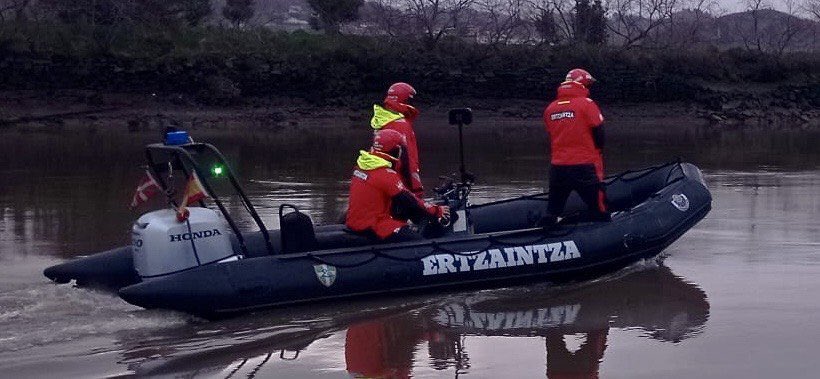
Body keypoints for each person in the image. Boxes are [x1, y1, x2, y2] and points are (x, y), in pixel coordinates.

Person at [345, 129, 449, 242]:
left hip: (355, 222)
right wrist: (436, 210)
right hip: (374, 226)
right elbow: (410, 200)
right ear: (396, 150)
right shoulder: (385, 174)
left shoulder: (363, 166)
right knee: (418, 241)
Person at [542, 68, 609, 225]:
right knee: (600, 209)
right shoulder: (587, 105)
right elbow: (600, 137)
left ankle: (543, 239)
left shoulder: (550, 108)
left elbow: (552, 135)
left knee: (553, 210)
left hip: (558, 168)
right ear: (583, 84)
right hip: (584, 166)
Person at [370, 82, 425, 197]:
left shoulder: (383, 120)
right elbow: (408, 160)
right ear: (405, 101)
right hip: (400, 184)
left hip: (384, 181)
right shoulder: (401, 125)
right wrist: (416, 191)